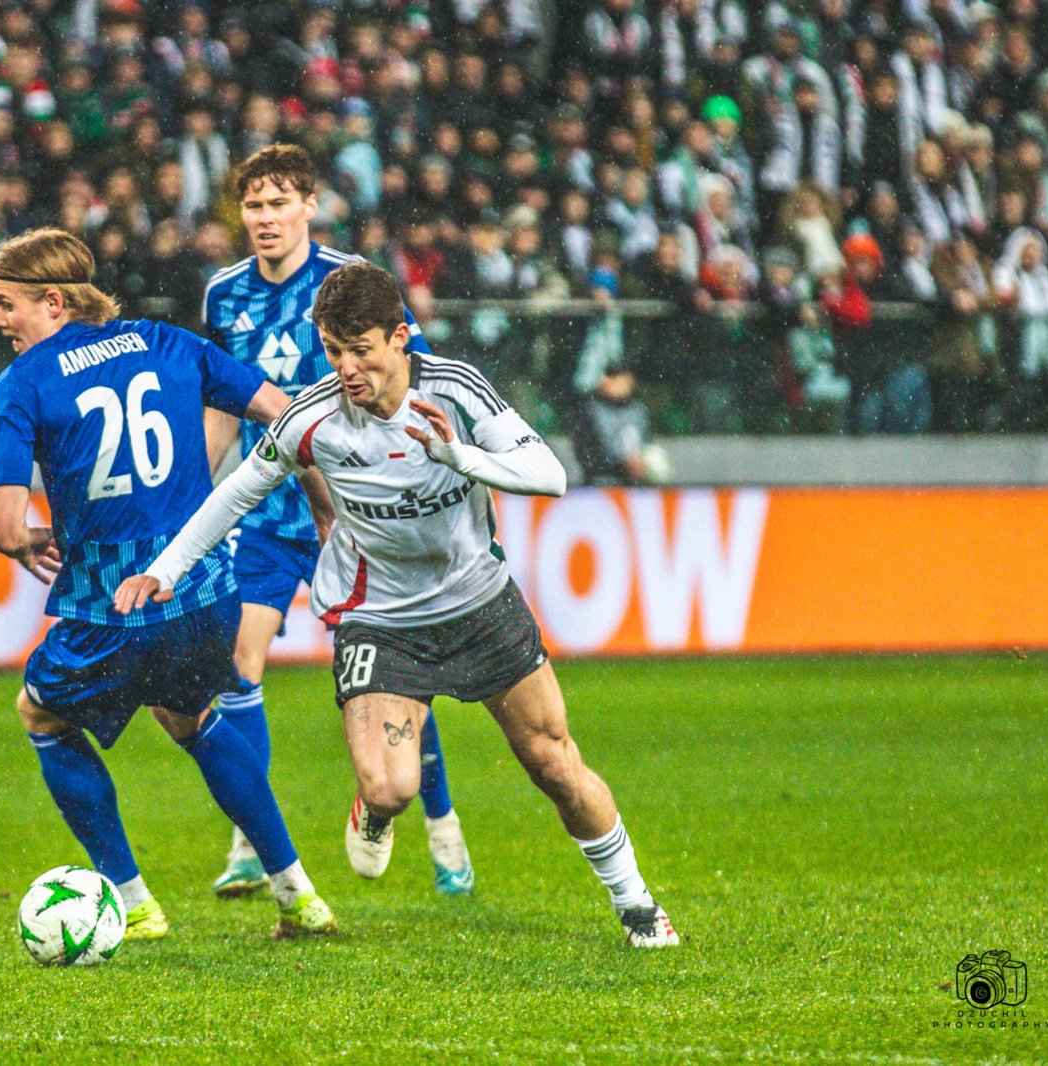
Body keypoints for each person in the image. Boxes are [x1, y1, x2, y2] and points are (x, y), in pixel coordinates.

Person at [118, 263, 680, 949]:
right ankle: (376, 810)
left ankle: (639, 907)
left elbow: (551, 476)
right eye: (333, 350)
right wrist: (167, 569)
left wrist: (459, 456)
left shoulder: (456, 390)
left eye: (362, 349)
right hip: (379, 619)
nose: (348, 367)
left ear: (401, 336)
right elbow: (238, 490)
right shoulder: (312, 418)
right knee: (389, 789)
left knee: (555, 763)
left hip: (479, 602)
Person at [0, 227, 335, 941]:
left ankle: (133, 899)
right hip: (203, 589)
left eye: (4, 303)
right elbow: (283, 415)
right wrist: (326, 506)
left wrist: (25, 543)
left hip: (112, 602)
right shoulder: (170, 343)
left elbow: (5, 523)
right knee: (192, 715)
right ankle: (298, 893)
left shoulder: (23, 383)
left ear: (52, 302)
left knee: (40, 713)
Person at [201, 144, 475, 898]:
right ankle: (253, 842)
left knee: (397, 675)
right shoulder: (223, 295)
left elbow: (410, 379)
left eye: (279, 202)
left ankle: (442, 826)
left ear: (309, 206)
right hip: (266, 512)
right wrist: (197, 491)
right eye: (253, 205)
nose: (265, 218)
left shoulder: (351, 283)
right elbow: (224, 402)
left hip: (356, 512)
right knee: (237, 663)